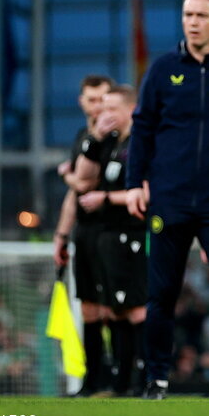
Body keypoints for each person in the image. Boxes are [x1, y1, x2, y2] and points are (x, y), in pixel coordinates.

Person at [125, 0, 209, 400]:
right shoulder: (164, 69)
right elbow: (143, 128)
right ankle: (156, 380)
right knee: (161, 295)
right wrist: (134, 183)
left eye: (201, 15)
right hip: (169, 199)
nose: (193, 22)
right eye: (187, 15)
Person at [72, 84, 145, 396]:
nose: (105, 114)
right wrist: (94, 141)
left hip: (134, 234)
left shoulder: (142, 141)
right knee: (115, 309)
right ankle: (120, 383)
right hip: (108, 235)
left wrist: (107, 198)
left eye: (111, 108)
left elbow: (146, 192)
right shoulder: (111, 142)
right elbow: (82, 180)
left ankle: (145, 381)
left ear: (129, 109)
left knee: (136, 309)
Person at [52, 73, 114, 396]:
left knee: (113, 307)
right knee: (88, 305)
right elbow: (75, 196)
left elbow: (84, 184)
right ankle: (93, 381)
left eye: (102, 98)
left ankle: (121, 378)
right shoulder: (82, 136)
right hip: (85, 232)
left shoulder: (114, 138)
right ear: (81, 102)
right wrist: (62, 235)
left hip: (112, 229)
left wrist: (68, 175)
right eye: (91, 99)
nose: (97, 105)